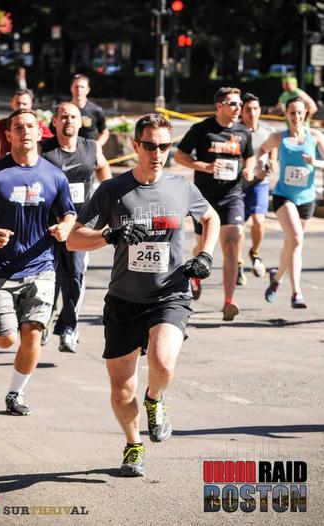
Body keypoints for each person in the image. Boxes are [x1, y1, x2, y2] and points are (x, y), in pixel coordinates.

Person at [66, 113, 220, 476]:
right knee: (122, 387)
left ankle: (155, 399)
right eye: (150, 145)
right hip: (124, 299)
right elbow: (73, 238)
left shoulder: (181, 187)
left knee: (163, 364)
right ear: (135, 145)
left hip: (170, 293)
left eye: (164, 146)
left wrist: (205, 255)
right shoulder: (111, 191)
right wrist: (109, 236)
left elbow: (210, 218)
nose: (157, 153)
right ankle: (133, 445)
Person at [0, 108, 76, 416]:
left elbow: (68, 213)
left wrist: (65, 227)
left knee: (33, 334)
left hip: (41, 267)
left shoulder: (54, 176)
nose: (25, 131)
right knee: (6, 340)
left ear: (39, 132)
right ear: (9, 135)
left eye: (31, 126)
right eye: (18, 127)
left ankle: (15, 394)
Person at [175, 87, 255, 320]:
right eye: (232, 104)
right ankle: (196, 273)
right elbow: (180, 155)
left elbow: (249, 154)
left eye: (239, 104)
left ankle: (229, 301)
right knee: (202, 246)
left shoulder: (243, 131)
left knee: (231, 244)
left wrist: (249, 168)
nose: (238, 108)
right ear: (219, 106)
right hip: (204, 199)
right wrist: (205, 167)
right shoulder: (202, 129)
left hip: (232, 195)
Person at [41, 101, 112, 352]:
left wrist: (109, 199)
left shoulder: (90, 147)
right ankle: (44, 319)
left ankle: (69, 328)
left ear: (80, 121)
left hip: (80, 226)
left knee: (75, 277)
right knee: (47, 276)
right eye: (64, 117)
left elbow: (103, 169)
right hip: (48, 226)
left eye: (73, 117)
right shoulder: (44, 150)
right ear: (55, 122)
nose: (69, 121)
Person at [259, 96, 324, 308]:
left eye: (299, 112)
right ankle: (297, 293)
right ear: (286, 114)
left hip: (306, 198)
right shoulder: (279, 137)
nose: (296, 116)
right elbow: (262, 149)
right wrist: (263, 163)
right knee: (296, 238)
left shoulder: (315, 136)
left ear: (306, 113)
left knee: (291, 244)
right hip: (283, 196)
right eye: (292, 113)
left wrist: (315, 162)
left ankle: (276, 279)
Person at [236, 93, 278, 286]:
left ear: (260, 110)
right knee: (237, 228)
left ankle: (255, 253)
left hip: (259, 183)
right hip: (237, 185)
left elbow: (273, 159)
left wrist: (270, 165)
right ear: (242, 112)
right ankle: (237, 264)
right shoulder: (235, 131)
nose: (252, 113)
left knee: (259, 222)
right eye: (248, 109)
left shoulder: (269, 132)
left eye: (255, 109)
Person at [0, 89, 53, 166]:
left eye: (24, 104)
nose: (21, 107)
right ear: (12, 104)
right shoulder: (1, 125)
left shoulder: (38, 126)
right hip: (5, 169)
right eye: (18, 103)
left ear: (31, 104)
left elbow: (53, 145)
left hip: (29, 169)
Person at [70, 74, 109, 146]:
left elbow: (104, 132)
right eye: (76, 86)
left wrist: (97, 146)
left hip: (88, 152)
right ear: (71, 88)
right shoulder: (64, 111)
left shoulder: (96, 110)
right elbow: (53, 132)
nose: (79, 90)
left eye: (82, 87)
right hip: (67, 152)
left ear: (88, 90)